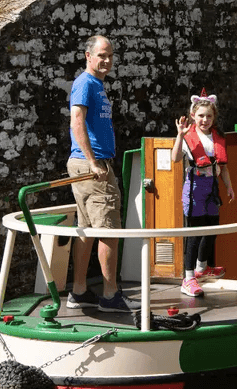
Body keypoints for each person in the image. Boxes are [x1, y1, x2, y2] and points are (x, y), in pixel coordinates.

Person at [65, 35, 141, 313]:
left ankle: (79, 290)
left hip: (89, 165)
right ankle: (110, 296)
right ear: (88, 55)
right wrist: (93, 162)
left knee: (86, 230)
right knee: (108, 230)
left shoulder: (95, 85)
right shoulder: (85, 83)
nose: (106, 61)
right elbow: (77, 121)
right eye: (101, 55)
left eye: (110, 56)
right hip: (93, 168)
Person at [171, 89, 235, 297]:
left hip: (212, 186)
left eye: (208, 116)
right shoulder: (189, 136)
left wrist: (229, 186)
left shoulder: (218, 137)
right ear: (193, 116)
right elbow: (175, 159)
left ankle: (202, 267)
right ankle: (188, 278)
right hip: (195, 187)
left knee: (212, 228)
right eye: (200, 116)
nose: (204, 120)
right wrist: (179, 136)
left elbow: (223, 167)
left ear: (214, 117)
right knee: (195, 233)